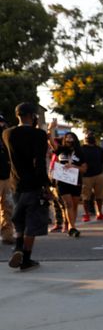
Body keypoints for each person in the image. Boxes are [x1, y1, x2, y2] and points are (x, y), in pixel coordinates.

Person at [3, 102, 51, 270]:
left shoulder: (7, 134)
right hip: (33, 184)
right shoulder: (38, 135)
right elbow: (39, 163)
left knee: (19, 219)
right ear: (32, 116)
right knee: (32, 222)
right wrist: (46, 185)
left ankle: (17, 248)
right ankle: (26, 258)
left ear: (17, 115)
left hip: (15, 183)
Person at [52, 131, 87, 237]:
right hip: (62, 181)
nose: (69, 139)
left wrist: (73, 167)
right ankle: (72, 227)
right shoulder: (60, 150)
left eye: (71, 137)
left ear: (75, 139)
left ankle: (72, 225)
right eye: (67, 137)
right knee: (68, 204)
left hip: (75, 181)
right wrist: (51, 128)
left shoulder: (80, 152)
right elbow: (51, 140)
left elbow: (84, 169)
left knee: (75, 205)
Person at [80, 133, 103, 222]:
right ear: (84, 139)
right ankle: (86, 214)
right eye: (87, 137)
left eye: (91, 137)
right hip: (86, 176)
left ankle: (99, 213)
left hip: (99, 175)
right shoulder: (81, 149)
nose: (89, 138)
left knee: (99, 196)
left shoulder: (99, 149)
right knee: (86, 197)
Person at [0, 114, 14, 244]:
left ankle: (7, 235)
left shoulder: (6, 139)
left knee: (8, 206)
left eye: (2, 122)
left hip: (6, 177)